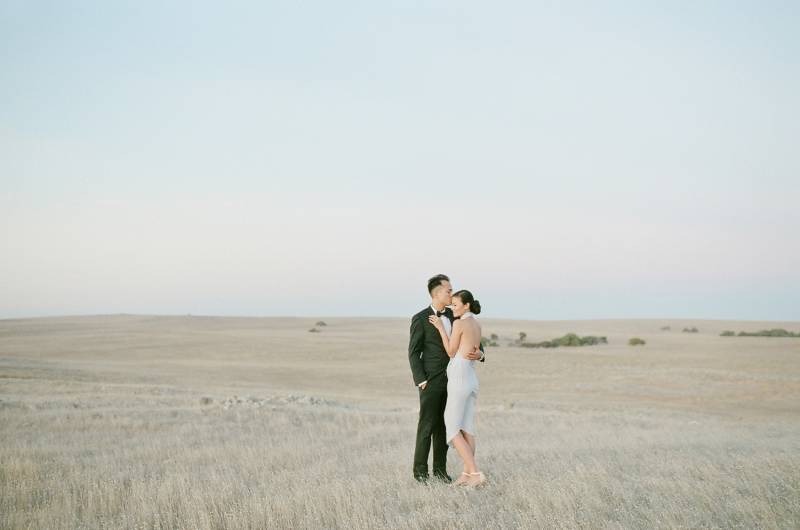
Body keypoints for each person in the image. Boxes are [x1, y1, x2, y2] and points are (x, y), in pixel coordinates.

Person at [408, 274, 485, 484]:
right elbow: (413, 352)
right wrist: (421, 380)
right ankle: (420, 472)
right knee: (427, 425)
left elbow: (476, 343)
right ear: (436, 293)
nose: (451, 293)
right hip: (431, 381)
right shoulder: (420, 318)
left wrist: (481, 355)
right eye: (448, 290)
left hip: (455, 381)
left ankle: (441, 471)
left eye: (452, 290)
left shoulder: (456, 316)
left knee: (445, 427)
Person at [428, 289, 486, 487]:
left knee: (452, 428)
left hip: (460, 375)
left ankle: (475, 473)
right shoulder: (476, 323)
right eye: (451, 304)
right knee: (467, 427)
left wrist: (441, 329)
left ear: (466, 305)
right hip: (470, 377)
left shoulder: (460, 323)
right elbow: (476, 351)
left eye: (455, 304)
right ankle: (467, 474)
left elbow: (452, 351)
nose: (452, 307)